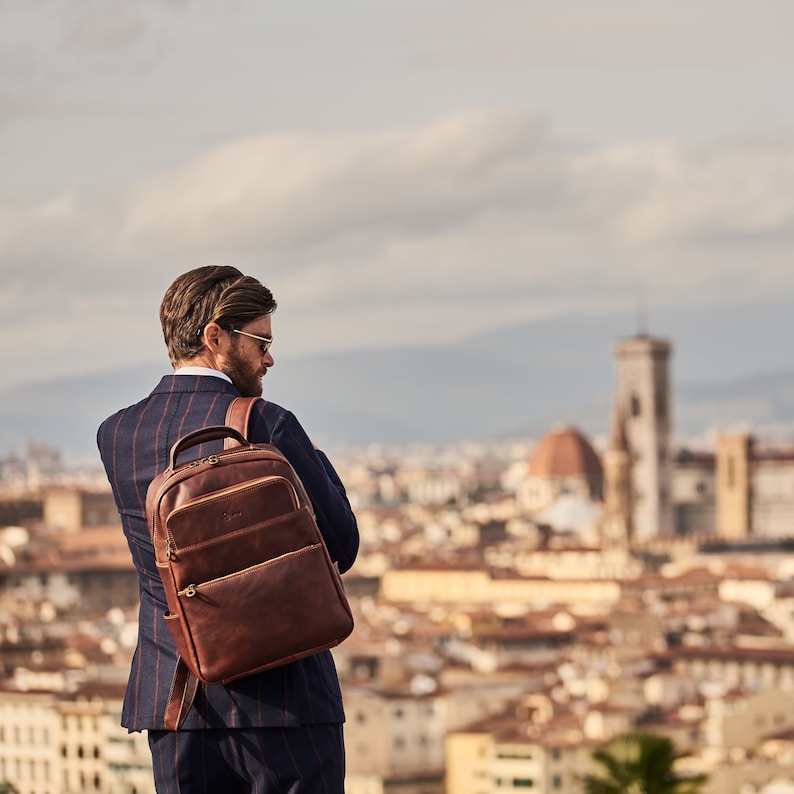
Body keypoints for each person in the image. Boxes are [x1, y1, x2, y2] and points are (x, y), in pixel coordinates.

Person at [97, 265, 359, 793]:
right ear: (215, 336)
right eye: (260, 340)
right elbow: (341, 543)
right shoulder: (268, 423)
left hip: (174, 699)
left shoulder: (117, 434)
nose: (269, 358)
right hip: (284, 696)